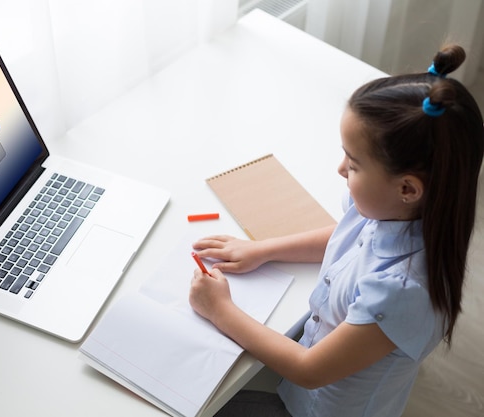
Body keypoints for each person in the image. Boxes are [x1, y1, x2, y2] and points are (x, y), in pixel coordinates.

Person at [189, 44, 484, 417]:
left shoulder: (403, 291)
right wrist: (263, 249)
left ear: (407, 188)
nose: (340, 168)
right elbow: (345, 234)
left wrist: (220, 310)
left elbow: (309, 370)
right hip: (298, 383)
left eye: (355, 163)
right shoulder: (390, 209)